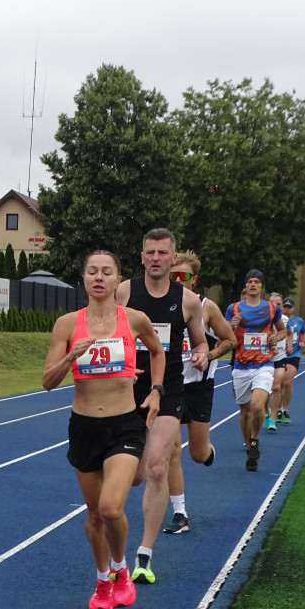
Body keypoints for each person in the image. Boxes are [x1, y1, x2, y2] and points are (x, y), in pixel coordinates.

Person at [43, 250, 165, 609]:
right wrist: (70, 356)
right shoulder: (67, 325)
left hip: (124, 424)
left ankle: (120, 569)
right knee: (94, 514)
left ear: (117, 280)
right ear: (84, 278)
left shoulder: (135, 320)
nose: (99, 277)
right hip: (83, 426)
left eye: (106, 272)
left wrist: (156, 390)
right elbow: (48, 382)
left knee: (111, 507)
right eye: (92, 271)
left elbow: (158, 353)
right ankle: (102, 581)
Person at [115, 229, 209, 583]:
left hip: (168, 390)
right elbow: (109, 331)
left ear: (172, 259)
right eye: (150, 252)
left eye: (162, 252)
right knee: (135, 475)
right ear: (142, 257)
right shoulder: (125, 291)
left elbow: (199, 343)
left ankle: (144, 555)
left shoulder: (187, 301)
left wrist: (201, 355)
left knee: (157, 468)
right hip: (127, 390)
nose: (156, 258)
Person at [162, 251, 236, 535]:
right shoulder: (158, 306)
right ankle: (180, 513)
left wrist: (210, 355)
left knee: (196, 453)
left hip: (198, 387)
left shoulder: (207, 307)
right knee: (170, 450)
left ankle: (207, 451)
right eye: (173, 276)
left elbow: (230, 340)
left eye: (184, 277)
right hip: (170, 385)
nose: (178, 281)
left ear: (195, 280)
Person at [226, 270, 287, 471]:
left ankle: (255, 440)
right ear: (246, 286)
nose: (253, 285)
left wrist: (275, 338)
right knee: (244, 412)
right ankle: (248, 445)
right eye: (250, 281)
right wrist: (231, 327)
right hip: (241, 365)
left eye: (257, 282)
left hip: (264, 364)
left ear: (262, 286)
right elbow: (224, 337)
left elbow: (283, 330)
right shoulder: (233, 308)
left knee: (257, 406)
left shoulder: (271, 308)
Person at [279, 297, 305, 423]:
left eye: (289, 307)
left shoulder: (298, 321)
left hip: (293, 355)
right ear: (281, 307)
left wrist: (303, 341)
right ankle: (277, 409)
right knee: (277, 384)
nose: (287, 309)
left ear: (293, 308)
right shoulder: (277, 320)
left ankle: (285, 410)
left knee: (287, 382)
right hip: (279, 355)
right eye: (285, 306)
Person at [264, 292, 290, 431]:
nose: (275, 306)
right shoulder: (262, 317)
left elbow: (289, 332)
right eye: (272, 303)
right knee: (263, 390)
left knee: (276, 387)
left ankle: (273, 419)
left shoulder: (284, 319)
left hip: (280, 357)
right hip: (265, 357)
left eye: (278, 304)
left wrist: (289, 344)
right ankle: (266, 411)